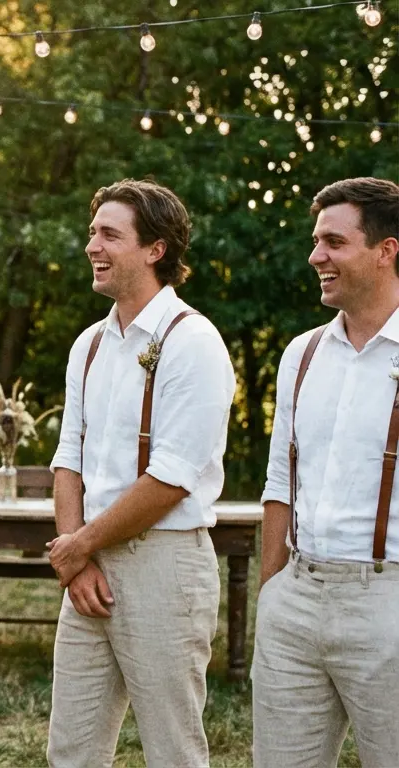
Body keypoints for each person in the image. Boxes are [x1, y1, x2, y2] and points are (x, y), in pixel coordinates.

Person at [45, 179, 235, 767]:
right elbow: (68, 459)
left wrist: (78, 544)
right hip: (89, 564)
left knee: (172, 750)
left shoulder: (194, 342)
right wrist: (79, 560)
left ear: (156, 249)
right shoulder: (90, 345)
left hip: (165, 565)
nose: (92, 247)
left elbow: (172, 478)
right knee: (71, 750)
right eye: (91, 233)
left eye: (109, 234)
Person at [252, 177, 399, 767]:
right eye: (316, 242)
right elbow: (278, 486)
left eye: (333, 242)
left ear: (386, 250)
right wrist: (272, 597)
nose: (316, 257)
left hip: (387, 598)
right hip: (297, 597)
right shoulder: (302, 353)